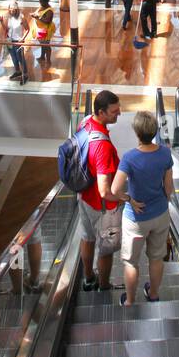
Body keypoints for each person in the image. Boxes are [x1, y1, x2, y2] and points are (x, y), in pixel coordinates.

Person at [109, 110, 173, 306]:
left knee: (130, 262)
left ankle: (129, 301)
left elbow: (114, 189)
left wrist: (129, 199)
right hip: (160, 214)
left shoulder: (130, 158)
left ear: (137, 133)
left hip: (136, 219)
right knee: (156, 258)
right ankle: (153, 295)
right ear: (154, 131)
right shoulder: (164, 153)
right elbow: (168, 188)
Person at [77, 89, 123, 292]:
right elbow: (105, 190)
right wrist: (123, 197)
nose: (119, 114)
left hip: (84, 196)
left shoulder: (85, 122)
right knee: (106, 249)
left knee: (87, 238)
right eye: (114, 111)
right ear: (101, 112)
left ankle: (88, 278)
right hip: (102, 206)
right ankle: (104, 286)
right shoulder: (102, 147)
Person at [0, 0, 28, 81]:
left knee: (20, 58)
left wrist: (22, 39)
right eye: (10, 9)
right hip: (10, 41)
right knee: (14, 58)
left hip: (17, 41)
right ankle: (18, 71)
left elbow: (27, 29)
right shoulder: (9, 17)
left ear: (16, 9)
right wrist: (1, 22)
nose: (11, 11)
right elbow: (7, 29)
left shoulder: (21, 17)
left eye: (13, 9)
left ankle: (25, 74)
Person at [32, 0, 55, 67]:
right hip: (40, 29)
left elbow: (47, 21)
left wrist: (37, 17)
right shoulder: (42, 6)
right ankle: (42, 57)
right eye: (40, 0)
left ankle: (48, 61)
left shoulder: (49, 11)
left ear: (47, 0)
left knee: (46, 45)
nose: (40, 2)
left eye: (42, 0)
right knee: (42, 44)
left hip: (45, 30)